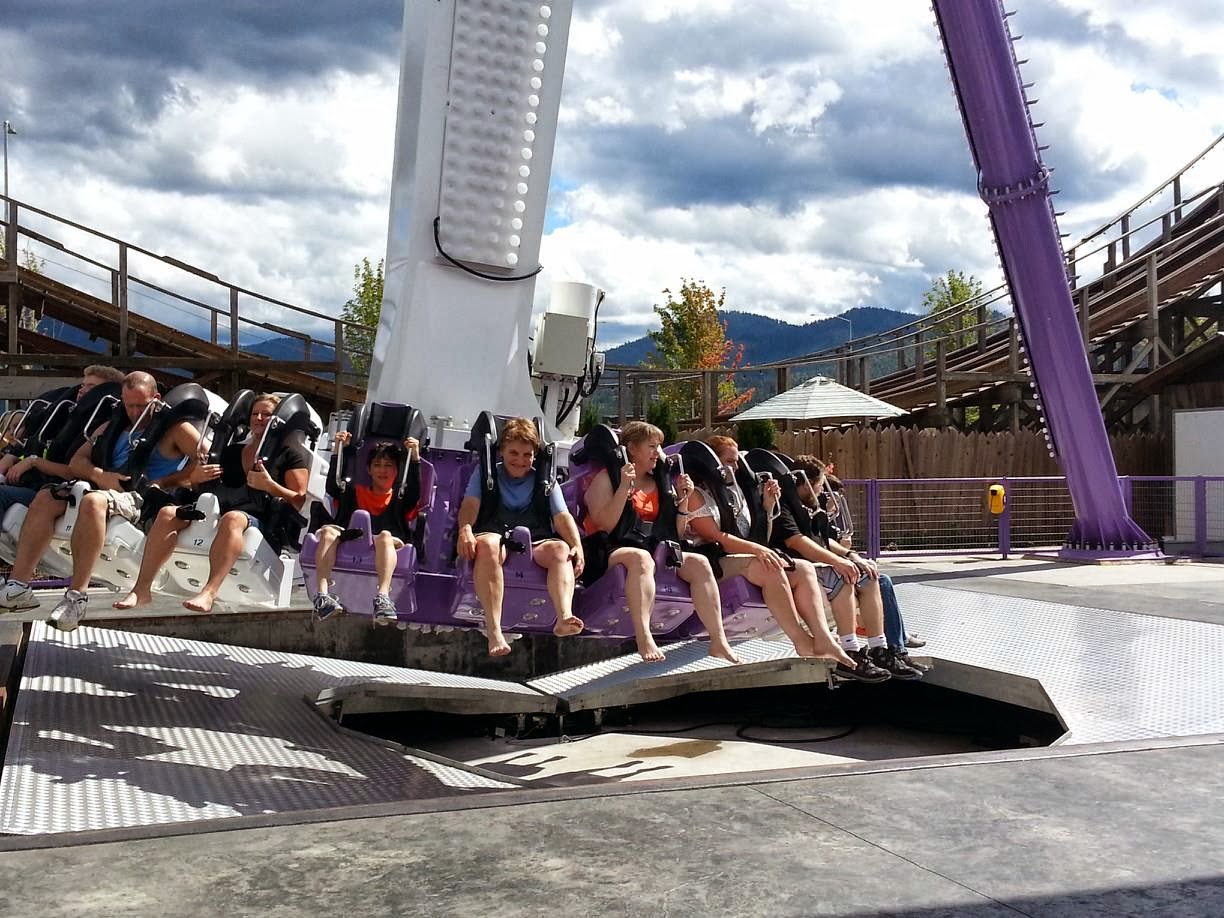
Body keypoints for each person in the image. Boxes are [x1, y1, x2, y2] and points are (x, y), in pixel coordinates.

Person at [0, 371, 201, 630]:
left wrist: (168, 481)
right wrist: (101, 475)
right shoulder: (110, 426)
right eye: (130, 405)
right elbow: (77, 462)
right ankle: (18, 586)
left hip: (141, 498)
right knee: (47, 496)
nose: (135, 412)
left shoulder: (175, 429)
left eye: (141, 405)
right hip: (103, 487)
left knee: (93, 502)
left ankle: (76, 597)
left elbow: (207, 461)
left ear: (157, 398)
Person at [114, 393, 313, 614]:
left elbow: (298, 499)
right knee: (168, 513)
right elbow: (203, 488)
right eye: (255, 414)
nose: (259, 418)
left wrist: (269, 485)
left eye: (266, 414)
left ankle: (209, 593)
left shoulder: (290, 455)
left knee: (233, 518)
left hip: (260, 519)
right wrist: (196, 478)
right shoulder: (233, 451)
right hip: (219, 510)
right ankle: (141, 589)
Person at [678, 436, 858, 669]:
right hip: (712, 559)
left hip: (742, 556)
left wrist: (768, 506)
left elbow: (758, 536)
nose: (736, 467)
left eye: (737, 461)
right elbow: (717, 537)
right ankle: (800, 640)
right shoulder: (696, 494)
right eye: (729, 462)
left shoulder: (736, 492)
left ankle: (823, 637)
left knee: (802, 569)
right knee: (769, 567)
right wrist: (760, 550)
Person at [580, 421, 739, 663]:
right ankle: (644, 637)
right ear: (632, 449)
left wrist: (683, 501)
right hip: (609, 549)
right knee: (641, 559)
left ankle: (718, 640)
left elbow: (675, 532)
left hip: (654, 549)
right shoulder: (605, 479)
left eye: (659, 447)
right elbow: (606, 525)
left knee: (700, 563)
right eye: (652, 446)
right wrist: (624, 488)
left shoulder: (660, 482)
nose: (658, 453)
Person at [456, 417, 584, 657]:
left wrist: (576, 545)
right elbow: (470, 504)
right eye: (513, 453)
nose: (520, 460)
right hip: (495, 533)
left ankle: (564, 616)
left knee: (561, 550)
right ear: (502, 451)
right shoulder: (485, 474)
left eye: (527, 455)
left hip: (534, 539)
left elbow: (561, 516)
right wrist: (465, 530)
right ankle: (494, 631)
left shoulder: (545, 480)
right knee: (489, 545)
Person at [787, 454, 923, 680]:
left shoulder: (810, 509)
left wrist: (852, 556)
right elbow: (798, 541)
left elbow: (824, 540)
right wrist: (839, 561)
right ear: (807, 484)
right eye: (820, 485)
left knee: (873, 576)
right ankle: (852, 649)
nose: (821, 491)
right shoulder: (787, 506)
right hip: (806, 568)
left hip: (823, 564)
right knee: (846, 576)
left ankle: (884, 649)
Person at [311, 431, 421, 625]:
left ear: (397, 470)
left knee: (385, 536)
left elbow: (415, 492)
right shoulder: (353, 492)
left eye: (388, 465)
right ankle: (322, 596)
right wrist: (339, 450)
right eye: (377, 465)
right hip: (351, 537)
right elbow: (333, 486)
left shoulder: (401, 497)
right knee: (328, 532)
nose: (382, 470)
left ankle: (383, 597)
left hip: (385, 542)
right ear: (369, 470)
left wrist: (415, 458)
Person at [0, 365, 124, 518]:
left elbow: (73, 472)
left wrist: (33, 462)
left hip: (56, 493)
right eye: (82, 385)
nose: (82, 390)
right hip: (32, 483)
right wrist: (13, 457)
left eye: (91, 387)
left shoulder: (99, 426)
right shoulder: (65, 417)